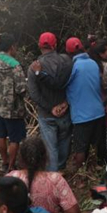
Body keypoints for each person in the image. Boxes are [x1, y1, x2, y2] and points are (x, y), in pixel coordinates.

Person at [28, 32, 74, 171]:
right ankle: (61, 168)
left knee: (50, 147)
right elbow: (73, 84)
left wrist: (50, 108)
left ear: (39, 46)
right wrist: (65, 102)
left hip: (46, 114)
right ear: (55, 45)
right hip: (65, 110)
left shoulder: (34, 67)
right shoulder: (66, 61)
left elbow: (34, 94)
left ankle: (53, 176)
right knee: (64, 141)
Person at [0, 34, 28, 172]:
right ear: (12, 47)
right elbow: (21, 89)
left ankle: (4, 162)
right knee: (15, 139)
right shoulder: (15, 66)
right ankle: (11, 165)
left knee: (1, 135)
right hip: (14, 109)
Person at [65, 37, 107, 172]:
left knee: (80, 148)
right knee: (97, 144)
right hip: (98, 111)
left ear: (69, 53)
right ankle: (95, 170)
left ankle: (80, 175)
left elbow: (63, 85)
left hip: (81, 115)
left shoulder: (72, 67)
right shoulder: (94, 63)